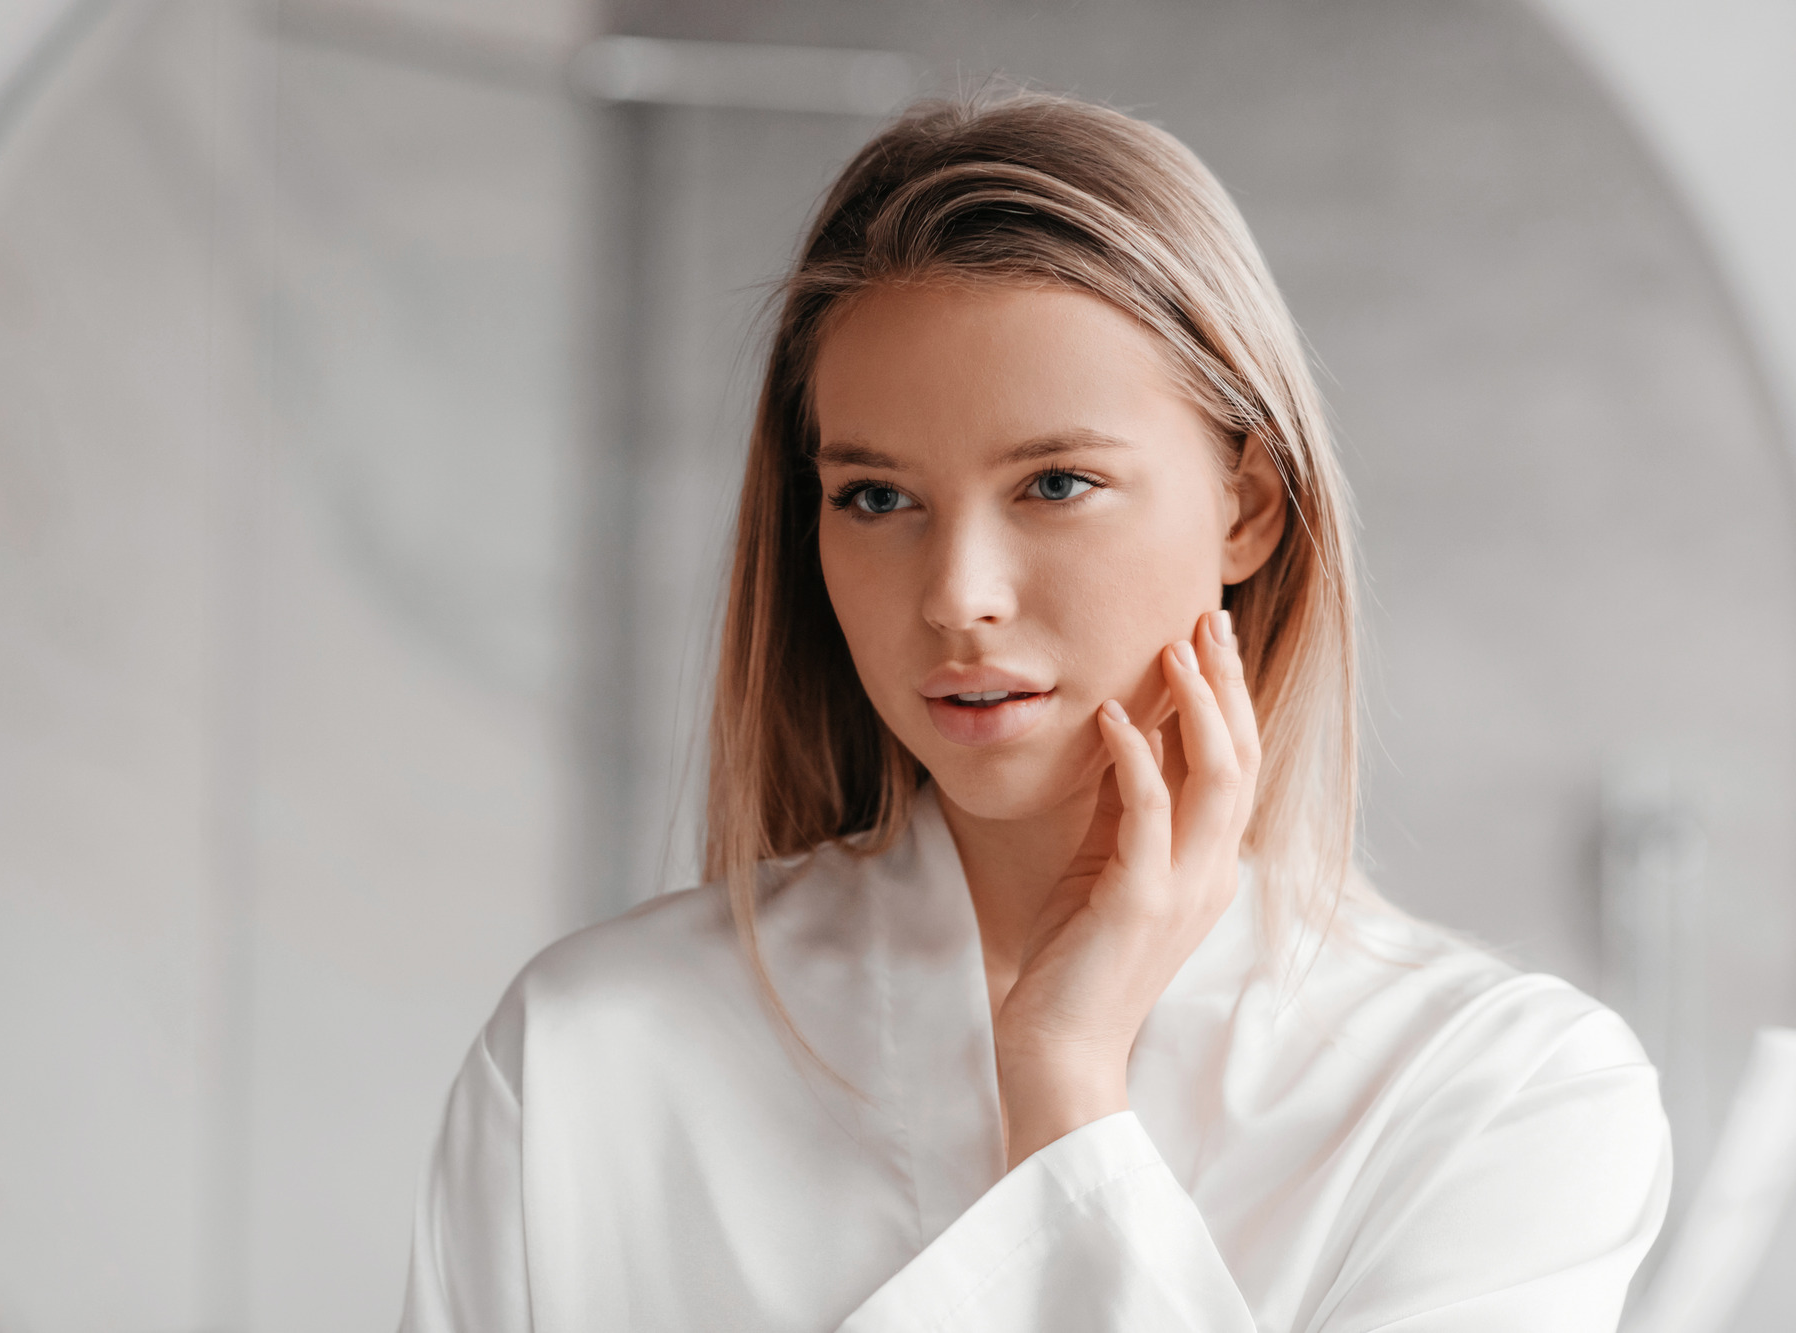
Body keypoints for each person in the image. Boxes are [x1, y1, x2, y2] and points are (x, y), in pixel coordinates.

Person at [398, 92, 1670, 1331]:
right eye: (875, 499)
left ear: (1248, 506)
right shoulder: (585, 1054)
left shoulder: (1498, 1093)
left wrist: (1062, 1087)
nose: (956, 598)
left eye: (1054, 483)